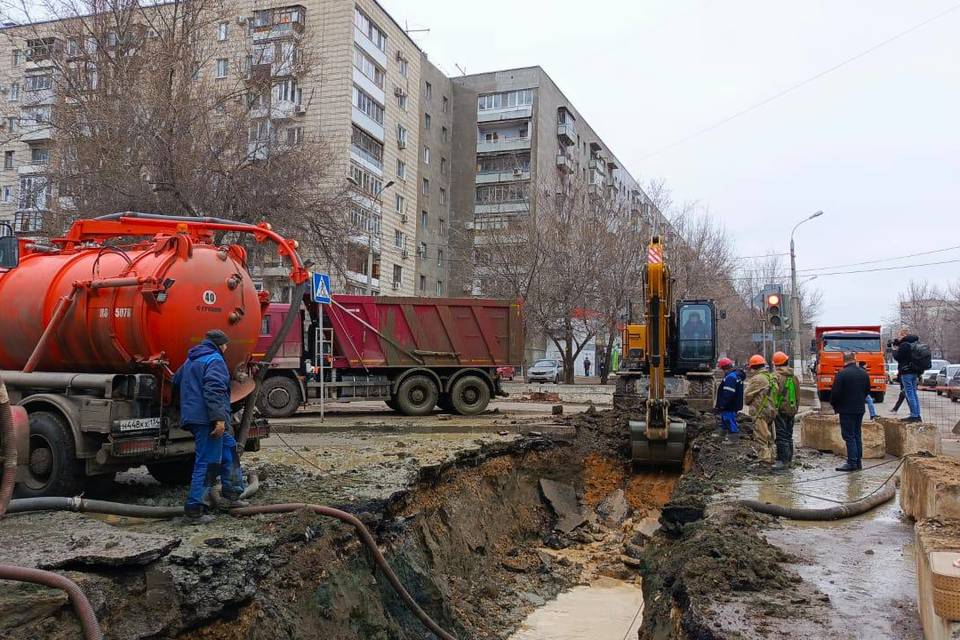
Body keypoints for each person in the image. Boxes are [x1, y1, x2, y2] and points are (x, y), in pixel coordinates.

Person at [173, 329, 245, 522]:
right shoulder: (215, 360)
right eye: (225, 344)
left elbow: (176, 380)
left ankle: (232, 494)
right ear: (219, 345)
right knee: (208, 461)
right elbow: (214, 390)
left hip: (195, 417)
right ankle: (195, 509)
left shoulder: (191, 359)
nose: (227, 347)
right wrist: (219, 420)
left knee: (229, 448)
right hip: (208, 420)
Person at [830, 351, 871, 472]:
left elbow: (835, 393)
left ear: (844, 360)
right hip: (859, 408)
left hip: (846, 409)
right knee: (857, 434)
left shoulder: (842, 374)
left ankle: (851, 462)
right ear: (854, 359)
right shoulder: (864, 373)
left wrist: (835, 405)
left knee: (849, 436)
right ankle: (858, 461)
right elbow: (867, 390)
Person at [744, 354, 778, 466]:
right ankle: (772, 458)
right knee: (770, 437)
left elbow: (747, 396)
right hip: (771, 411)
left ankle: (765, 462)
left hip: (760, 412)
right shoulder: (771, 377)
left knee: (762, 437)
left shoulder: (757, 379)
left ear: (753, 367)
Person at [772, 351, 799, 470]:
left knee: (781, 435)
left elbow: (772, 394)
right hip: (791, 410)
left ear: (776, 364)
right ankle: (788, 459)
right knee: (789, 435)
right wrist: (795, 408)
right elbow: (798, 395)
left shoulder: (776, 377)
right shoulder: (794, 377)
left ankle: (782, 461)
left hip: (780, 410)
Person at [893, 330, 923, 423]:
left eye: (899, 336)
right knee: (914, 393)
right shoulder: (915, 344)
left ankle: (914, 415)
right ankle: (917, 414)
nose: (898, 337)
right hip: (914, 371)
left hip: (906, 372)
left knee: (909, 393)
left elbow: (898, 357)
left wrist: (894, 350)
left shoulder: (904, 345)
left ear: (904, 335)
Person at [714, 357, 745, 439]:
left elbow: (728, 394)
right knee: (725, 421)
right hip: (732, 404)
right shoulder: (734, 375)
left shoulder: (730, 377)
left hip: (729, 406)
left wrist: (722, 405)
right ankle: (722, 436)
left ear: (723, 368)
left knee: (730, 422)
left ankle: (733, 440)